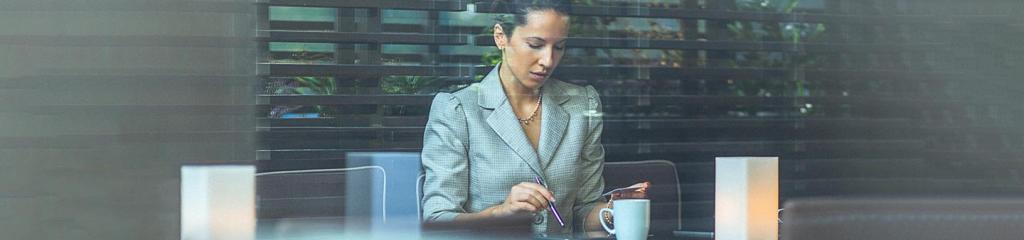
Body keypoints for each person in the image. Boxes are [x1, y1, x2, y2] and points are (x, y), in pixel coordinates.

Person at [420, 0, 609, 235]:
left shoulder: (581, 105)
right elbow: (438, 220)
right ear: (500, 36)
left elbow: (584, 210)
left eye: (559, 47)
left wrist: (611, 214)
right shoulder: (458, 110)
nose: (548, 60)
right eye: (535, 44)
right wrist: (502, 213)